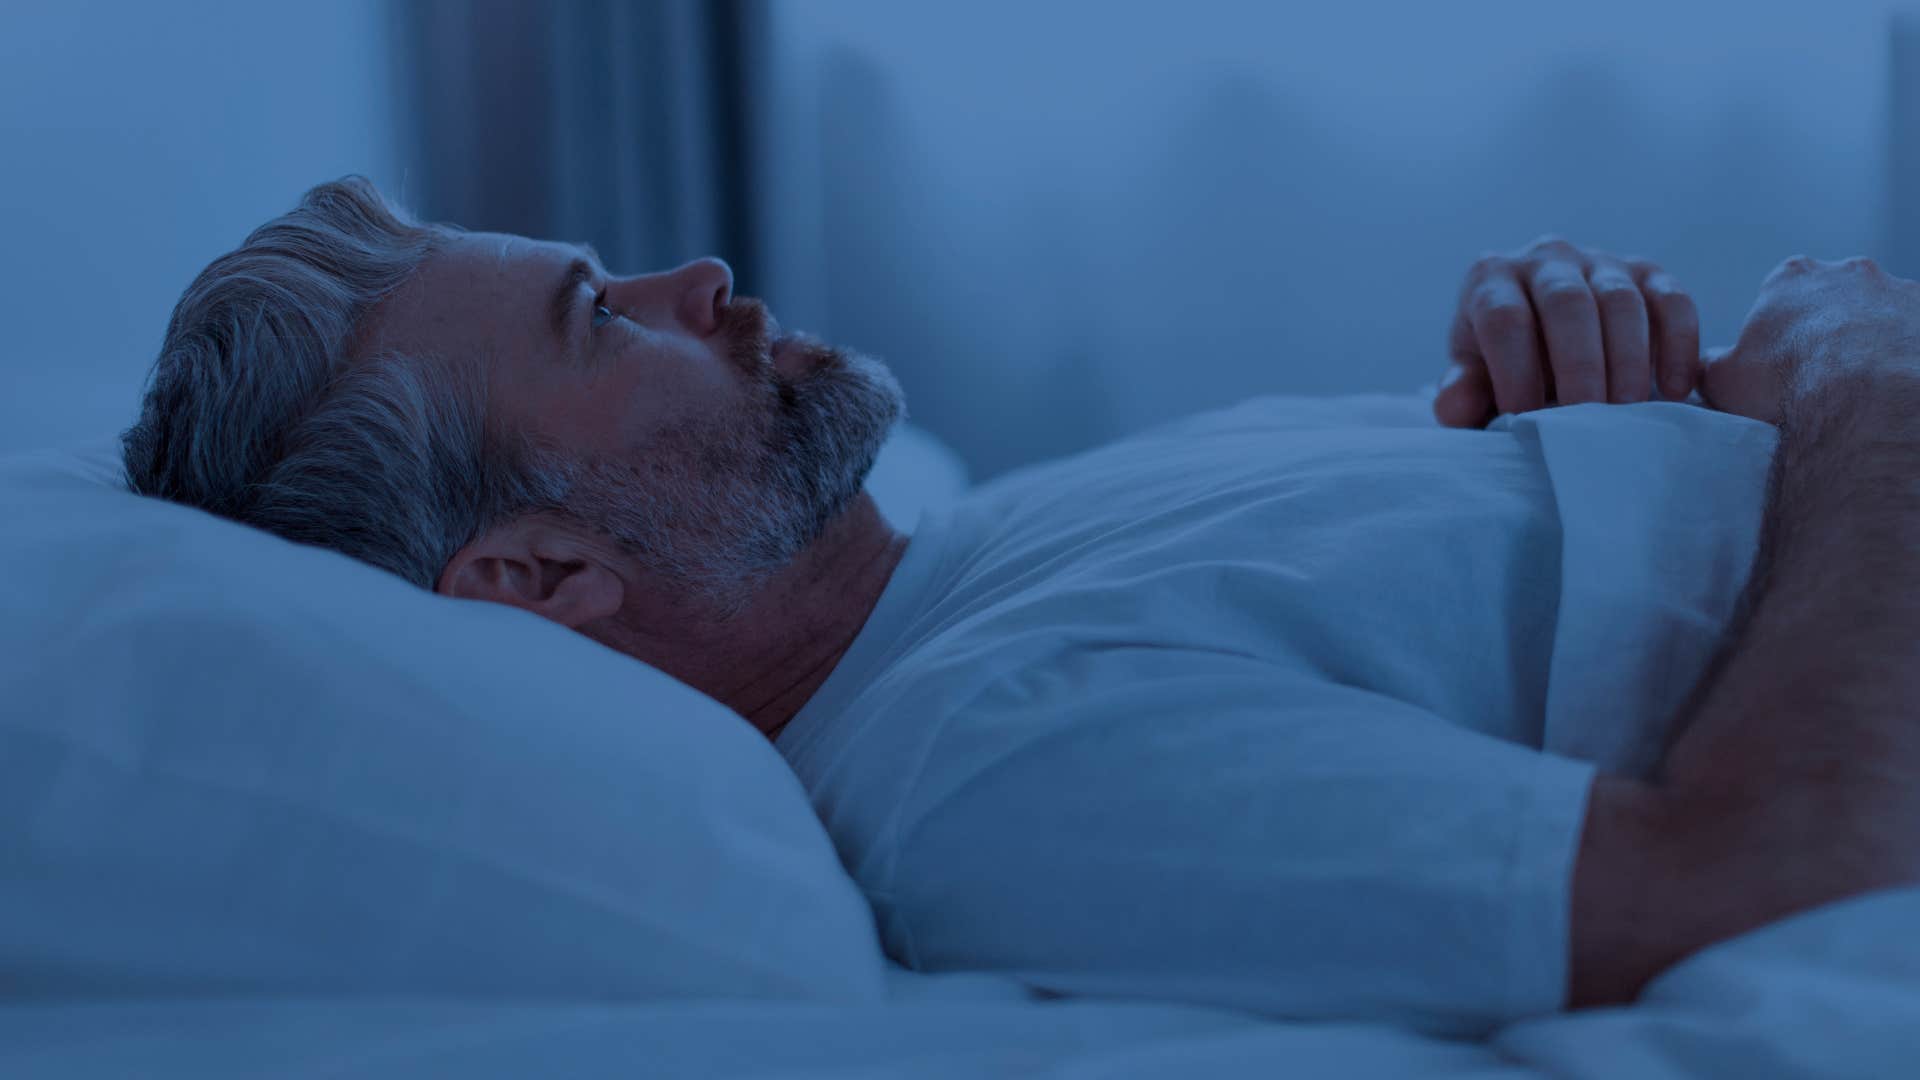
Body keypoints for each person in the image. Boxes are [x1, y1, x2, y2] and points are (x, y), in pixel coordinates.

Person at [122, 176, 1920, 1035]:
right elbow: (1756, 881)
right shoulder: (992, 767)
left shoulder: (988, 548)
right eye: (602, 316)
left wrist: (1577, 351)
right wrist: (1855, 384)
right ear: (534, 578)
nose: (701, 278)